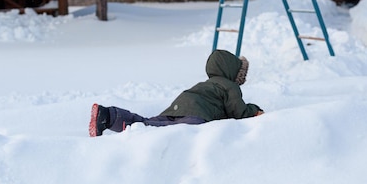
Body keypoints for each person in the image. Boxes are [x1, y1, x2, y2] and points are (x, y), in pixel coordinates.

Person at [89, 49, 264, 137]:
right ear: (233, 72)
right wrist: (254, 110)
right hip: (196, 115)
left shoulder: (206, 83)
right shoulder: (230, 86)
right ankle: (131, 131)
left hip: (178, 105)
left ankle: (109, 115)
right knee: (158, 133)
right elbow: (238, 111)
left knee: (148, 123)